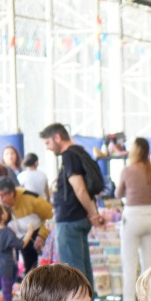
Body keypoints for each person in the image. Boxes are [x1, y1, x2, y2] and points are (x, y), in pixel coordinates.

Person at [39, 123, 107, 288]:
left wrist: (93, 214)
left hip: (70, 220)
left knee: (73, 273)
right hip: (79, 218)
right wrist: (92, 213)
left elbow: (80, 189)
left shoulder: (69, 156)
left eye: (48, 142)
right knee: (82, 270)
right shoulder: (81, 152)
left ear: (57, 137)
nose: (48, 148)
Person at [0, 176, 54, 280]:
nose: (0, 199)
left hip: (39, 234)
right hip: (20, 238)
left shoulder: (31, 199)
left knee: (43, 267)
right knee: (28, 268)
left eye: (3, 196)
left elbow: (50, 216)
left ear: (12, 193)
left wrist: (42, 235)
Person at [108, 137, 151, 301]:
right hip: (150, 215)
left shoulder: (128, 170)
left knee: (129, 262)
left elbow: (118, 193)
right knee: (148, 263)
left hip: (133, 216)